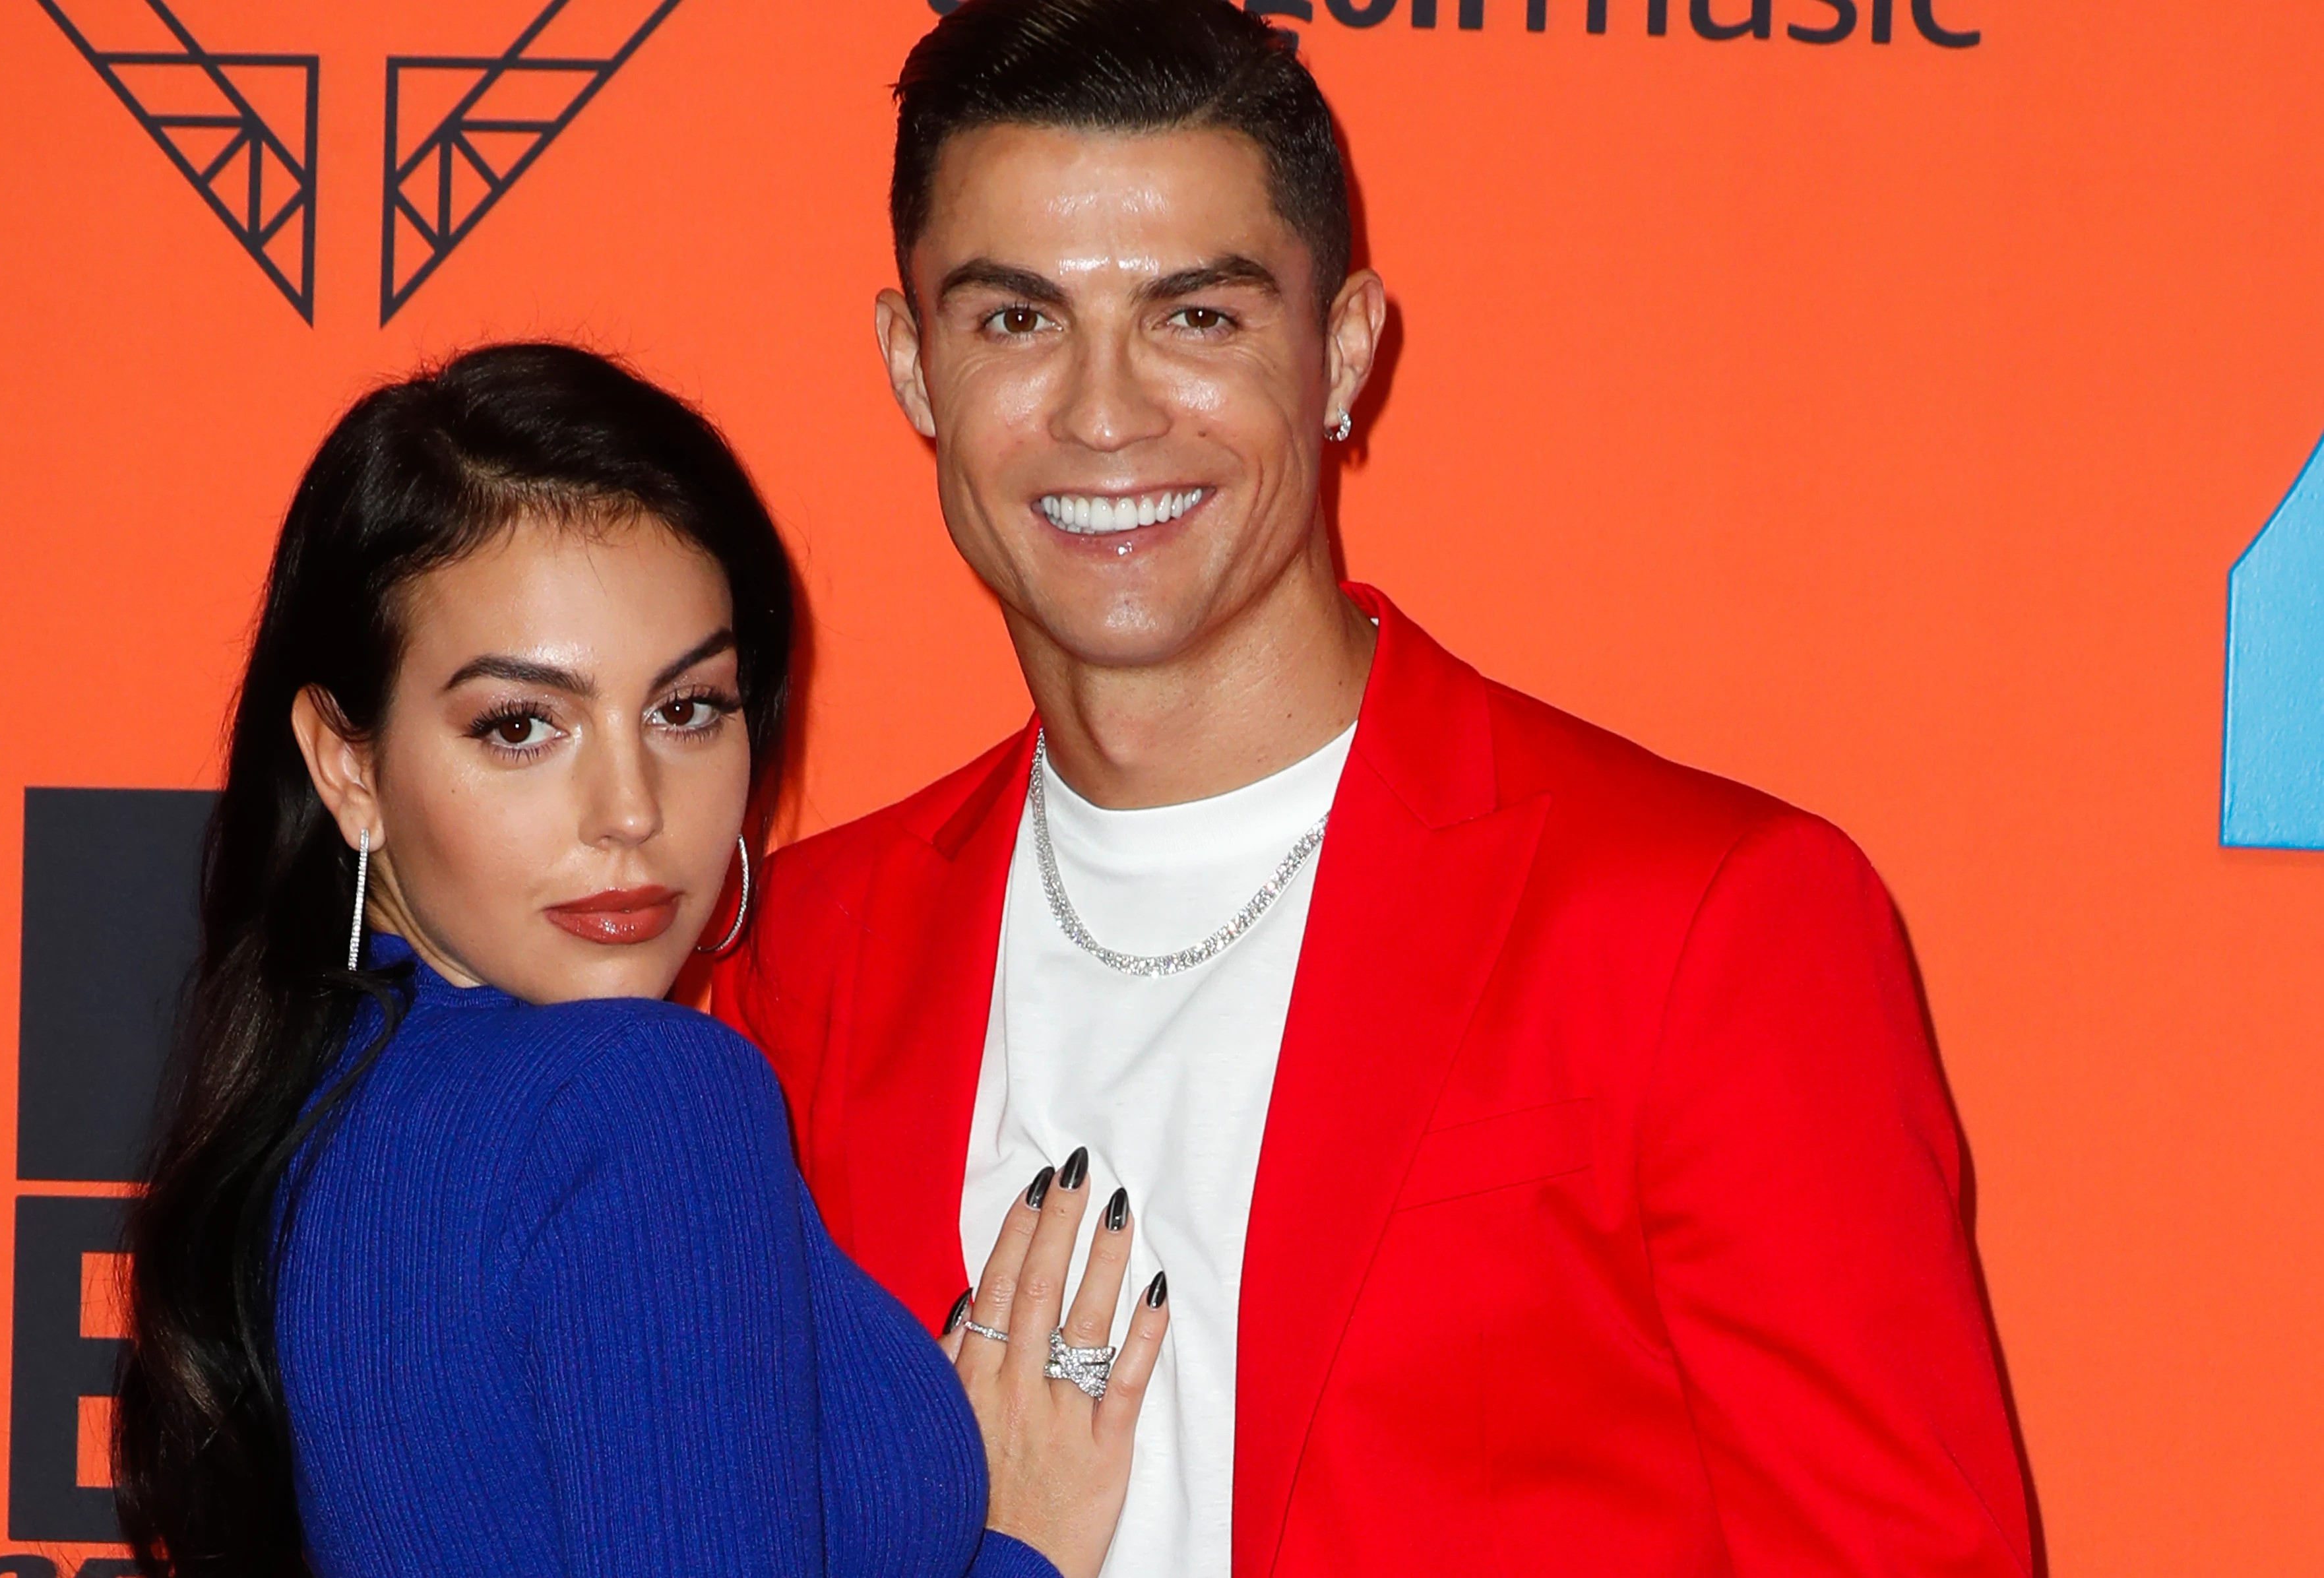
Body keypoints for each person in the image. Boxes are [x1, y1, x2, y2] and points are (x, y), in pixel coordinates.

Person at [712, 3, 2038, 1575]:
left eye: (1195, 317)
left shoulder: (1699, 919)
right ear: (910, 364)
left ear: (1341, 347)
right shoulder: (787, 957)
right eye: (1016, 320)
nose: (1103, 410)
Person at [109, 343, 1169, 1578]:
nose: (630, 808)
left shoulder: (319, 1126)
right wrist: (1019, 1548)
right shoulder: (645, 1098)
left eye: (686, 710)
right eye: (521, 725)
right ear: (347, 765)